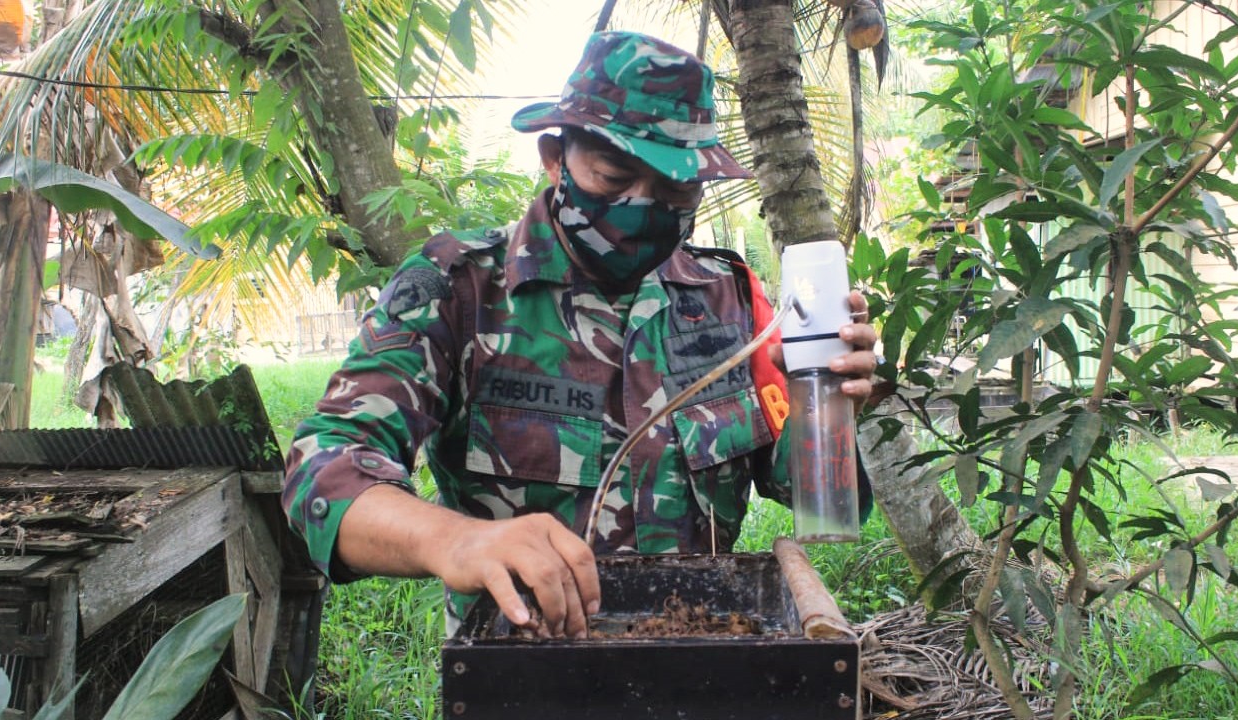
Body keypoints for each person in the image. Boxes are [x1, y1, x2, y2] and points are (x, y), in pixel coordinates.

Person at [282, 30, 879, 640]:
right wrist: (459, 540)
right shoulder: (458, 289)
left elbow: (805, 493)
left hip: (699, 659)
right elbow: (322, 474)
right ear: (554, 156)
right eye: (614, 173)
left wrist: (831, 404)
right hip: (531, 674)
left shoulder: (727, 298)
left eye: (674, 191)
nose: (639, 207)